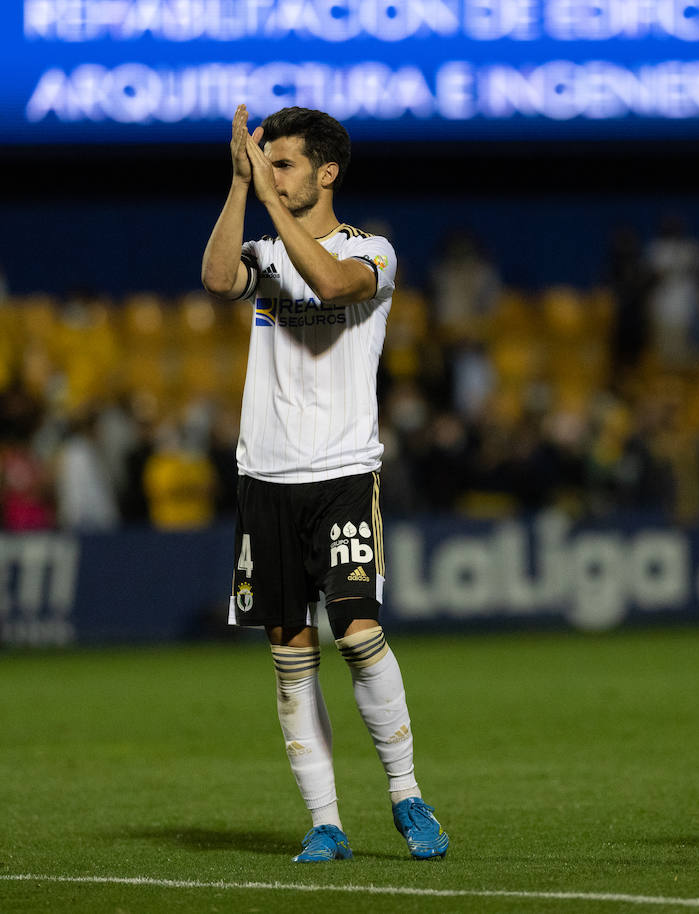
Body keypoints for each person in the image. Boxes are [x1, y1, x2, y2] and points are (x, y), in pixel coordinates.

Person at [200, 104, 448, 863]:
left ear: (326, 172)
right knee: (289, 647)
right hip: (265, 474)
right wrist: (241, 186)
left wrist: (267, 199)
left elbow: (335, 284)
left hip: (341, 471)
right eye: (266, 160)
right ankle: (325, 821)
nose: (273, 173)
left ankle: (407, 796)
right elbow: (216, 278)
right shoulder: (265, 247)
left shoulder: (373, 251)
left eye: (285, 162)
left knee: (359, 631)